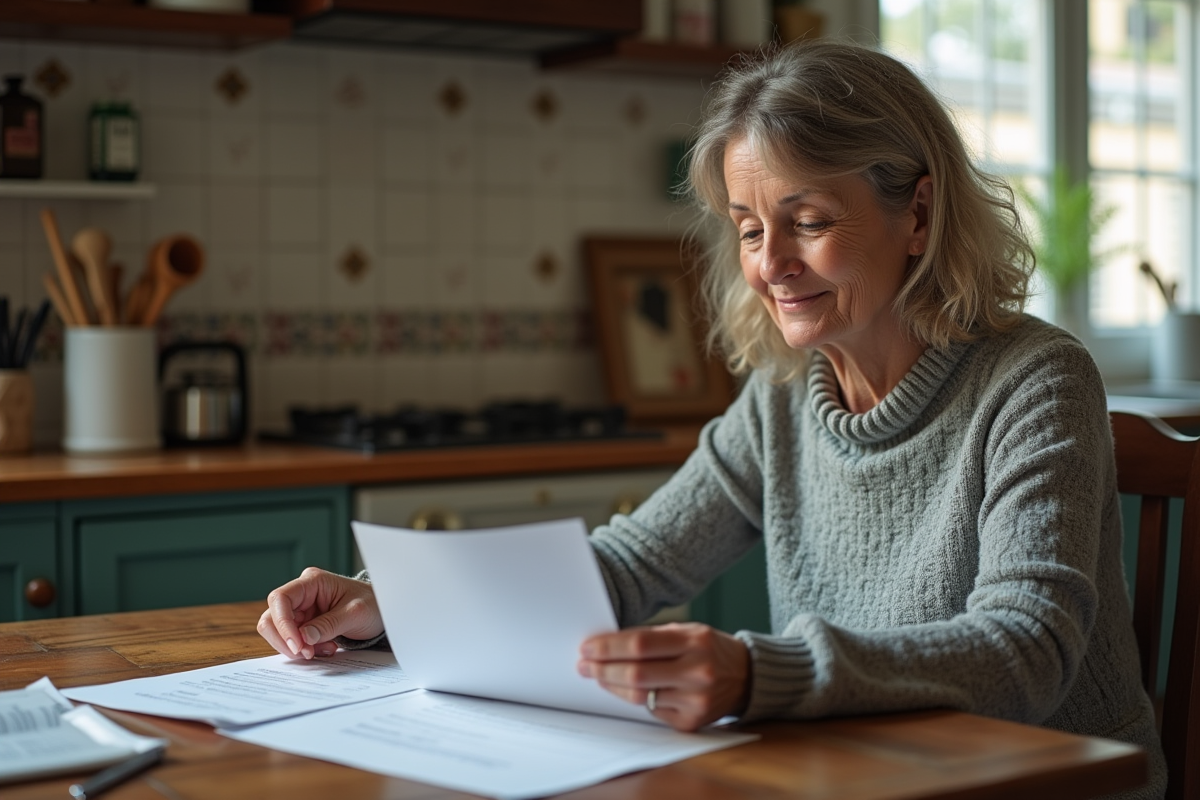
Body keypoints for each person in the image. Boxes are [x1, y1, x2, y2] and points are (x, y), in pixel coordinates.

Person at [258, 40, 1166, 798]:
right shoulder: (783, 395)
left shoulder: (1037, 380)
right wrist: (399, 608)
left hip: (1047, 781)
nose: (771, 264)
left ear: (918, 214)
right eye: (748, 227)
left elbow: (1027, 650)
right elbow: (632, 565)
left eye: (807, 220)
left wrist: (759, 673)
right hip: (860, 773)